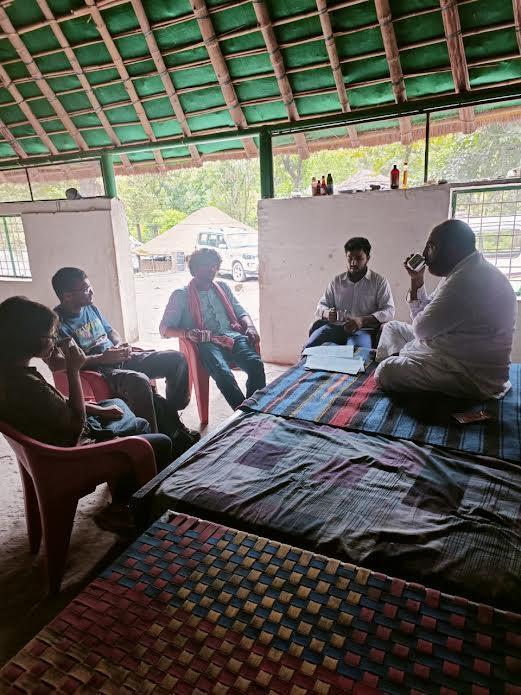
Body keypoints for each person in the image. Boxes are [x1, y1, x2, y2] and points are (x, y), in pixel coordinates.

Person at [0, 297, 173, 527]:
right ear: (31, 340)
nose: (55, 341)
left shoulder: (11, 372)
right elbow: (75, 426)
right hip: (69, 454)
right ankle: (123, 507)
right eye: (51, 336)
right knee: (154, 437)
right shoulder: (27, 386)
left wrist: (95, 409)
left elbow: (52, 402)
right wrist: (74, 370)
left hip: (46, 445)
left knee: (115, 405)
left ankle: (123, 488)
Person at [49, 267, 198, 453]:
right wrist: (101, 358)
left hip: (119, 356)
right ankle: (155, 443)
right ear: (68, 296)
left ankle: (172, 413)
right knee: (139, 381)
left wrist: (119, 345)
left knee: (176, 359)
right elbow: (60, 364)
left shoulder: (90, 307)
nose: (91, 291)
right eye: (85, 289)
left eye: (89, 286)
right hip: (101, 370)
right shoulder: (58, 324)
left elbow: (111, 331)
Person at [375, 219, 517, 399]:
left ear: (452, 250)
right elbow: (428, 311)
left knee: (385, 372)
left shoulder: (466, 281)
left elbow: (421, 330)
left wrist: (418, 330)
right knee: (391, 327)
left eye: (431, 246)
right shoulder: (463, 270)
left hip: (469, 373)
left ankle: (400, 361)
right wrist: (416, 279)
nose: (424, 254)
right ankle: (404, 359)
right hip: (449, 347)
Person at [159, 248, 266, 410]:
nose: (211, 269)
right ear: (194, 269)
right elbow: (164, 329)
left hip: (232, 336)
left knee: (255, 364)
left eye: (214, 265)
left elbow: (240, 312)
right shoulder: (181, 295)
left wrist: (250, 326)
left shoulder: (222, 287)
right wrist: (187, 333)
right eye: (206, 265)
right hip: (206, 342)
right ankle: (244, 412)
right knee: (223, 373)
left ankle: (253, 407)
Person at [304, 237, 395, 350]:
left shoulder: (379, 282)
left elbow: (389, 311)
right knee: (308, 349)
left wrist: (362, 321)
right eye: (350, 258)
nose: (353, 263)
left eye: (359, 258)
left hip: (362, 331)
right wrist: (327, 313)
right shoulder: (337, 281)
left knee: (357, 357)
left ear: (368, 258)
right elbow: (321, 306)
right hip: (334, 328)